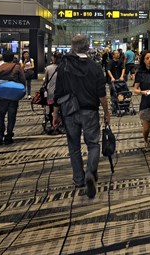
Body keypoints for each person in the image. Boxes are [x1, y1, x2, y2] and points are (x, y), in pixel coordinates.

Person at [53, 35, 110, 198]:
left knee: (74, 146)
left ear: (73, 47)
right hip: (90, 111)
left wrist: (55, 113)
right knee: (93, 144)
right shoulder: (95, 67)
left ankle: (78, 178)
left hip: (69, 111)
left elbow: (58, 91)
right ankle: (90, 173)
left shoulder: (64, 65)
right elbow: (102, 94)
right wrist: (106, 112)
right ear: (88, 47)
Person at [0, 51, 25, 145]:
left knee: (0, 115)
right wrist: (22, 91)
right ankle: (9, 136)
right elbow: (23, 80)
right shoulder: (17, 67)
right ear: (12, 58)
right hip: (13, 95)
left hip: (1, 95)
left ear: (3, 58)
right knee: (11, 116)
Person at [43, 52, 62, 132]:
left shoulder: (48, 68)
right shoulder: (64, 68)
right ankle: (60, 125)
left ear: (53, 58)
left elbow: (46, 81)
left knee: (51, 109)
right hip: (61, 93)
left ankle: (52, 125)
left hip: (51, 93)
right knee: (61, 109)